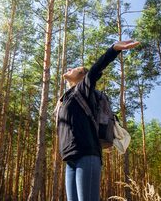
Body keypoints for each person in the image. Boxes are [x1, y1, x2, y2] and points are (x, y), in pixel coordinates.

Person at [55, 40, 140, 201]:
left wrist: (113, 49)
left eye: (74, 69)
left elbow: (95, 70)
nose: (69, 69)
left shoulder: (82, 90)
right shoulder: (65, 99)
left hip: (87, 154)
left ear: (82, 77)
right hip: (70, 158)